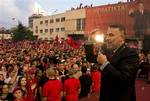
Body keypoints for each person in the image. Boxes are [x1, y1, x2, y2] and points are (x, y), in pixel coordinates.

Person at [97, 24, 139, 101]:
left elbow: (124, 80)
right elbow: (91, 59)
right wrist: (89, 43)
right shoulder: (108, 51)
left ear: (122, 38)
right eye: (107, 35)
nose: (107, 38)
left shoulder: (130, 54)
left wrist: (105, 64)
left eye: (111, 35)